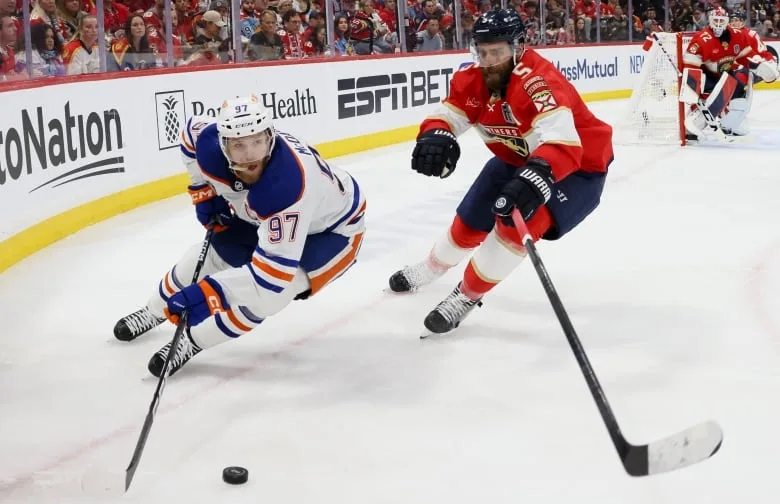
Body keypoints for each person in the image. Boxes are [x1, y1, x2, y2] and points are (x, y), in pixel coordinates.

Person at [388, 9, 613, 336]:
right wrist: (435, 134)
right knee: (467, 225)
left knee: (513, 226)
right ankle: (431, 268)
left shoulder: (539, 82)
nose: (489, 59)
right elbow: (448, 115)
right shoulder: (472, 79)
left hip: (575, 169)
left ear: (518, 47)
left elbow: (564, 143)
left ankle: (466, 296)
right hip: (515, 159)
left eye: (498, 52)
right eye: (483, 51)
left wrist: (537, 176)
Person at [113, 95, 366, 376]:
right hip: (263, 214)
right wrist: (203, 191)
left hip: (332, 231)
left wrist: (210, 294)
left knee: (270, 297)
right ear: (223, 144)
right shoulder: (210, 145)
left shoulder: (287, 186)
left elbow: (270, 278)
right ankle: (153, 311)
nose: (250, 154)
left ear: (270, 137)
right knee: (209, 257)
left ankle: (191, 342)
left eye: (257, 141)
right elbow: (189, 134)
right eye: (239, 145)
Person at [681, 7, 777, 137]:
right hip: (708, 75)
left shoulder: (739, 35)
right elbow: (690, 65)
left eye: (722, 20)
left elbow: (748, 55)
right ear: (710, 20)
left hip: (727, 73)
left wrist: (761, 65)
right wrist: (692, 88)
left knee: (737, 86)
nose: (719, 24)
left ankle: (731, 121)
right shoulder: (701, 39)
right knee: (715, 95)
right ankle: (695, 122)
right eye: (716, 20)